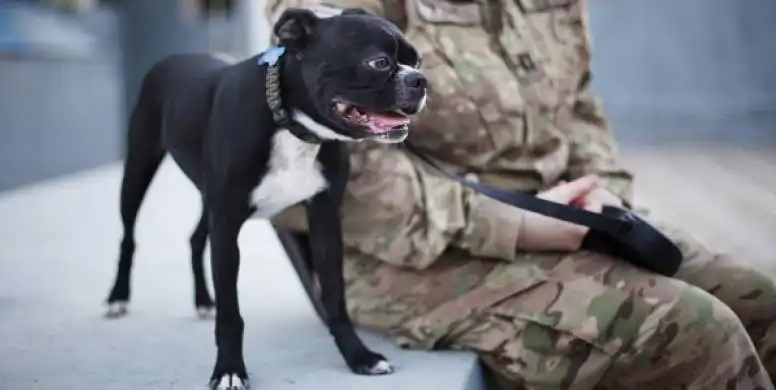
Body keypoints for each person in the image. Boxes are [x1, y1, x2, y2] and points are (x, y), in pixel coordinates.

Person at [263, 0, 776, 388]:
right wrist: (518, 224)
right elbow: (333, 162)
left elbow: (577, 107)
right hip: (418, 259)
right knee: (700, 332)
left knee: (760, 301)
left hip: (570, 218)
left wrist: (604, 197)